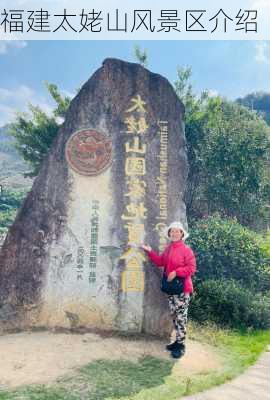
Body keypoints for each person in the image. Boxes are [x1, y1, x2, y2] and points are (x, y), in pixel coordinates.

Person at [141, 221, 196, 359]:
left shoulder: (186, 250)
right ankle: (177, 342)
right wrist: (149, 251)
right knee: (175, 315)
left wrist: (176, 272)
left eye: (177, 231)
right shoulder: (170, 249)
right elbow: (160, 262)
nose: (174, 233)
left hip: (183, 289)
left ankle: (181, 345)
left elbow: (191, 268)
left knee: (181, 317)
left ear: (182, 234)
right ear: (170, 234)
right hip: (172, 289)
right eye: (172, 231)